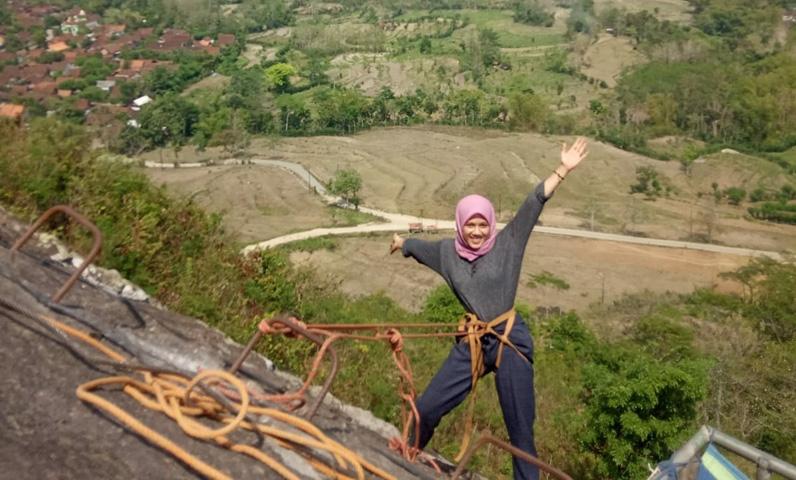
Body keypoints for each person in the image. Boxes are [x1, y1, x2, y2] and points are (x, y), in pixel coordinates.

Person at [389, 138, 589, 480]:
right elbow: (418, 247)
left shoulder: (508, 243)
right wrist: (402, 243)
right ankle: (407, 454)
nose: (478, 231)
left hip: (510, 341)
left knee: (521, 433)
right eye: (471, 224)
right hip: (475, 342)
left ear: (491, 224)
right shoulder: (446, 253)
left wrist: (563, 170)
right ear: (460, 224)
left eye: (483, 224)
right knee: (427, 406)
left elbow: (534, 202)